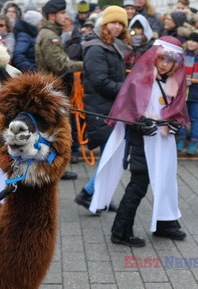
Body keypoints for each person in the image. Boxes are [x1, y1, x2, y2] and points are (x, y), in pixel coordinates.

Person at [90, 36, 189, 247]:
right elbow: (127, 111)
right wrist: (140, 123)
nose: (164, 63)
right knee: (138, 185)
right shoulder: (140, 80)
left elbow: (176, 112)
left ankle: (165, 224)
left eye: (169, 60)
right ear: (154, 57)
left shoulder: (173, 83)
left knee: (166, 179)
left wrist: (174, 124)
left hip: (164, 143)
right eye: (161, 58)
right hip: (142, 143)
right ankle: (120, 232)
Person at [74, 5, 129, 207]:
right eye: (113, 22)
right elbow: (100, 82)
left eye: (121, 24)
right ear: (104, 23)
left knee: (113, 155)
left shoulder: (112, 45)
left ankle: (97, 195)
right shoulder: (97, 47)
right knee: (112, 155)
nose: (117, 27)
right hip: (101, 108)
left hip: (110, 107)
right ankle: (89, 192)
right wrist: (127, 88)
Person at [35, 0, 83, 180]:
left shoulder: (51, 33)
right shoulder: (49, 36)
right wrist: (87, 65)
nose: (66, 16)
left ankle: (55, 169)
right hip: (52, 92)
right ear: (51, 16)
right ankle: (53, 170)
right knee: (56, 132)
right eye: (62, 13)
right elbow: (60, 65)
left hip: (53, 91)